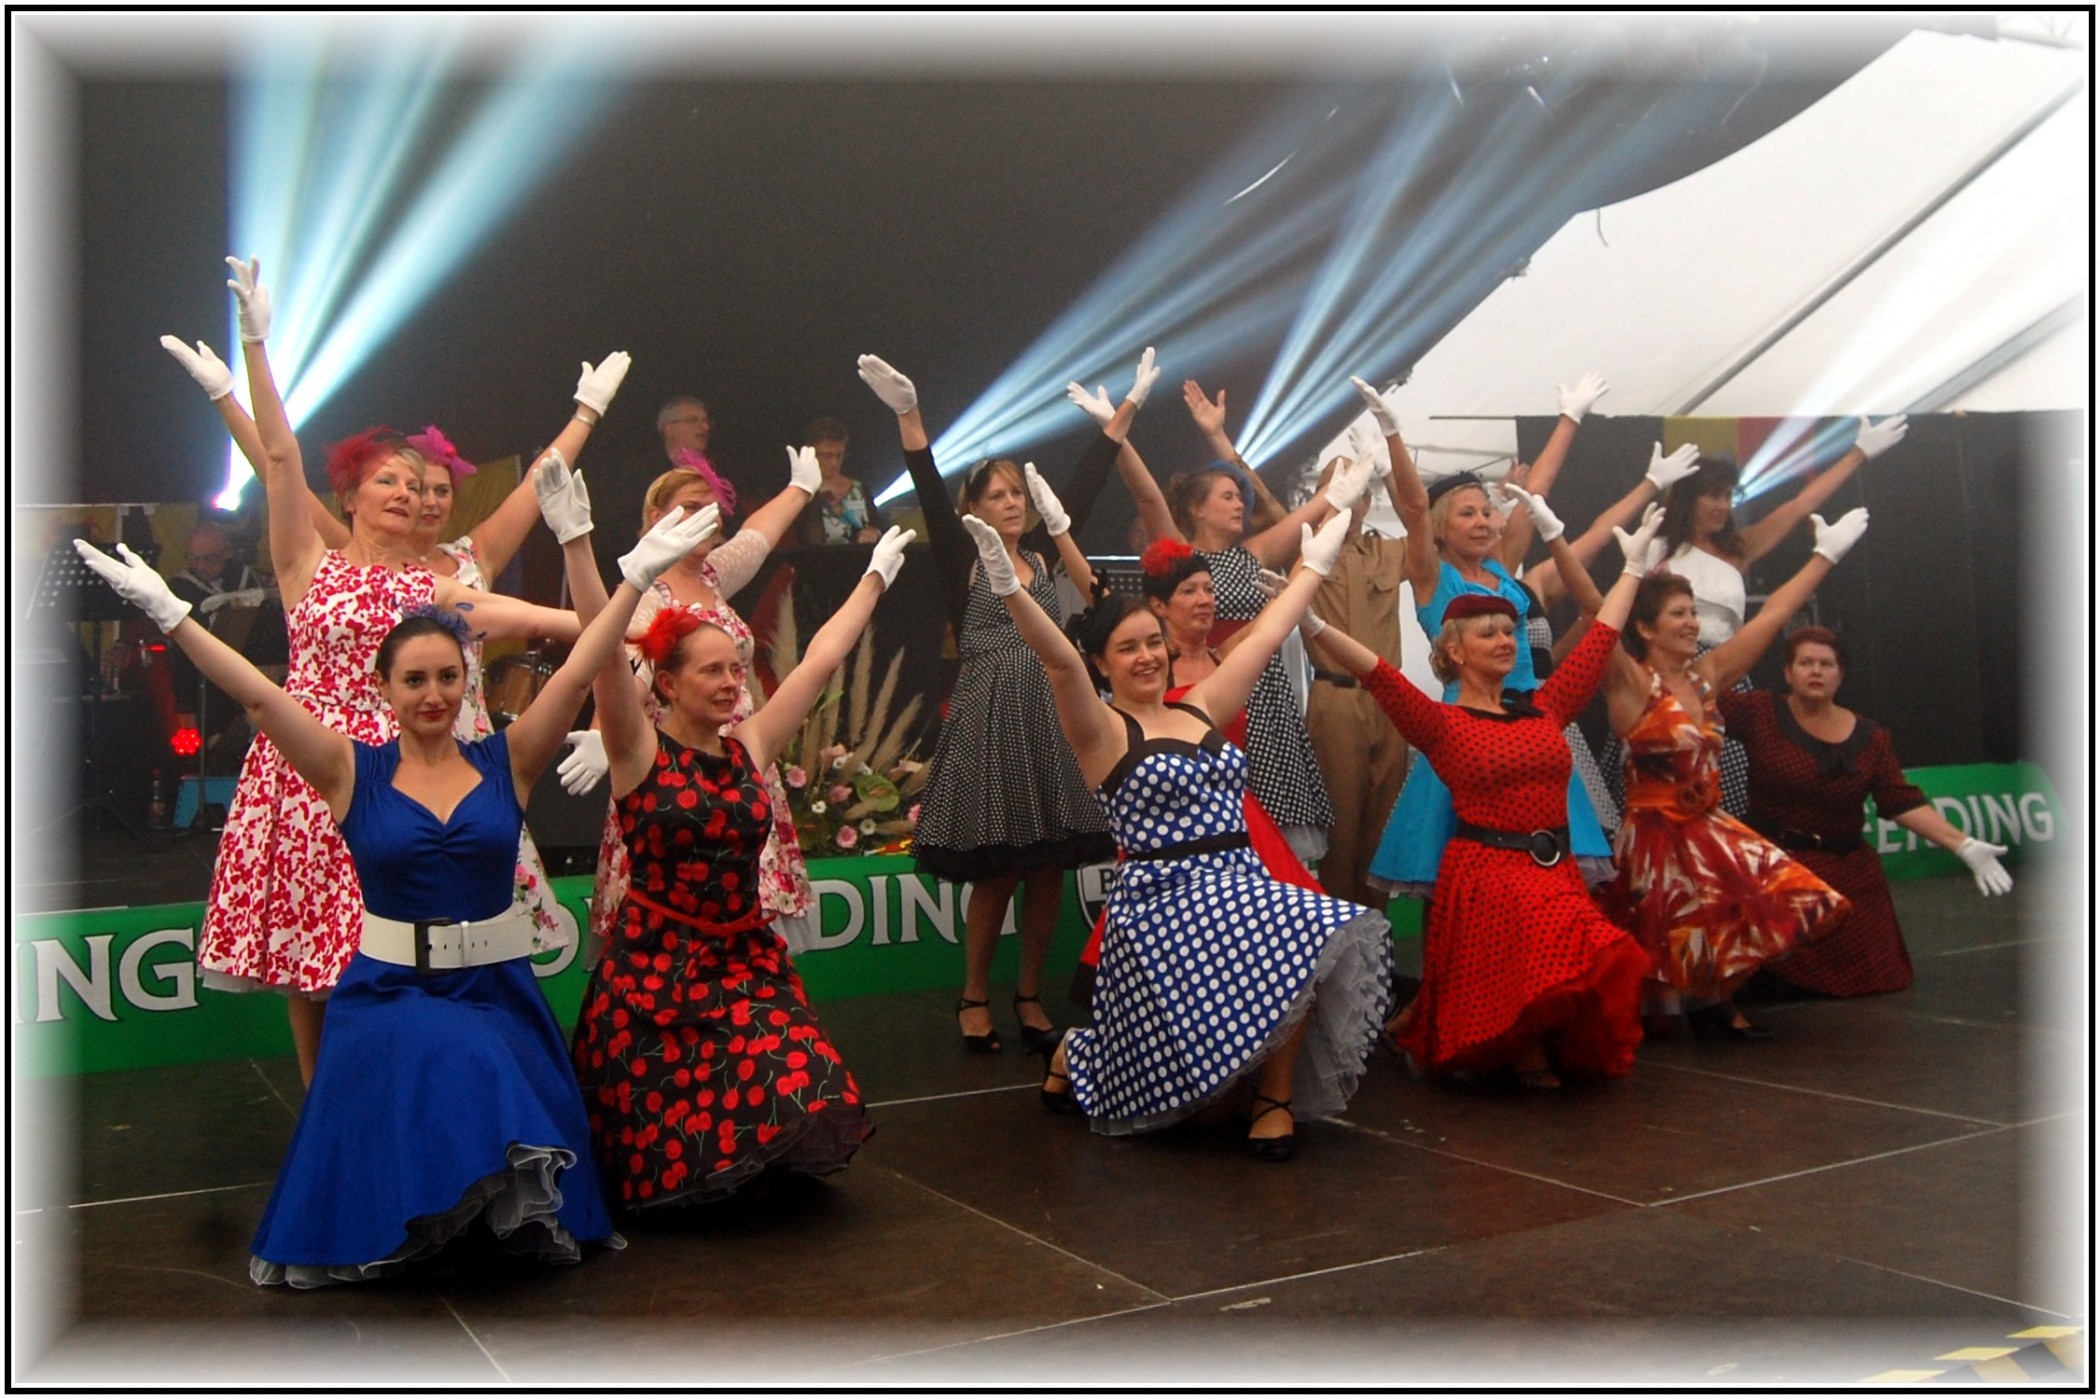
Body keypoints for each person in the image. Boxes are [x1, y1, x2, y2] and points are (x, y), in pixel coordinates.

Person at [67, 499, 712, 1286]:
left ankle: (477, 1208)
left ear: (466, 680)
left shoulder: (509, 759)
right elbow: (260, 697)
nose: (433, 693)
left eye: (448, 676)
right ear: (384, 687)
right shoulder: (349, 769)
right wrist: (172, 616)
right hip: (388, 990)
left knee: (478, 1054)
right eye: (415, 679)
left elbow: (581, 668)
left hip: (496, 989)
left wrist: (632, 579)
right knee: (446, 1053)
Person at [159, 257, 588, 1085]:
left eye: (413, 483)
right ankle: (325, 1107)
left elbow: (539, 619)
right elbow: (279, 459)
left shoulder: (433, 587)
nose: (404, 492)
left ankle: (404, 1092)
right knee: (307, 963)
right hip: (302, 769)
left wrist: (638, 617)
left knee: (380, 945)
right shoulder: (308, 563)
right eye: (385, 480)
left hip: (391, 776)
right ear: (349, 498)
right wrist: (250, 356)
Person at [980, 510, 1388, 1159]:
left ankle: (1275, 1099)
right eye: (1128, 648)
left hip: (1240, 884)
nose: (1146, 656)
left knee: (1310, 928)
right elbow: (1057, 663)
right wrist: (1010, 588)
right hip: (1162, 902)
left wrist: (1316, 564)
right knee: (1197, 1109)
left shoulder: (1200, 707)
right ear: (1101, 662)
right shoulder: (1103, 730)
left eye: (1152, 642)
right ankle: (1078, 1054)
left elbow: (1269, 631)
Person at [572, 523, 916, 1210]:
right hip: (653, 972)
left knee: (806, 1077)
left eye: (736, 669)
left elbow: (819, 659)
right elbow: (602, 655)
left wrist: (874, 578)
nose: (732, 683)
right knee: (665, 1146)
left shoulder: (748, 745)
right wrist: (586, 548)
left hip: (742, 960)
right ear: (667, 683)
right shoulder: (636, 750)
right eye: (713, 671)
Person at [277, 366, 633, 953]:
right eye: (414, 488)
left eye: (439, 491)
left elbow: (538, 488)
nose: (426, 500)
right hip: (376, 749)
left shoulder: (471, 557)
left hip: (465, 740)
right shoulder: (350, 558)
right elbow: (281, 472)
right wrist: (235, 393)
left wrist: (585, 414)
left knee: (478, 913)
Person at [1309, 503, 1664, 1087]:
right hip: (1488, 877)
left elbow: (1601, 639)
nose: (1506, 641)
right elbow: (1378, 674)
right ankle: (1515, 1050)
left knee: (1601, 954)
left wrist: (1632, 568)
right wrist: (1312, 623)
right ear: (1455, 651)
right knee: (1517, 996)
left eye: (1509, 632)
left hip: (1554, 871)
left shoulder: (1545, 707)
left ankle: (1448, 1029)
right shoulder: (1441, 723)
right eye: (1489, 633)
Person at [859, 349, 1143, 1055]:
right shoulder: (966, 555)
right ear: (974, 509)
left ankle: (1029, 994)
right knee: (999, 870)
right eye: (997, 495)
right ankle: (974, 994)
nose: (1013, 503)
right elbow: (927, 484)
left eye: (1017, 493)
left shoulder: (1041, 555)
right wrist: (909, 414)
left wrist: (1122, 415)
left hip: (1051, 715)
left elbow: (1081, 487)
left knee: (1048, 869)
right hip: (992, 717)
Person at [1602, 508, 1873, 1040]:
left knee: (1779, 895)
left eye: (1693, 613)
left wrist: (1825, 556)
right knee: (1677, 927)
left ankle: (1712, 1000)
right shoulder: (1631, 683)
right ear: (1646, 628)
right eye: (1679, 614)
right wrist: (1616, 564)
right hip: (1656, 836)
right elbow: (1596, 612)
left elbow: (1773, 616)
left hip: (1706, 824)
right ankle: (1697, 1008)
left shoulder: (1708, 674)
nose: (1692, 623)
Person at [1355, 372, 1617, 902]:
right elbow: (1412, 509)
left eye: (1485, 511)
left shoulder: (1501, 568)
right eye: (1466, 513)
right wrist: (1393, 434)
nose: (1482, 521)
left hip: (1530, 724)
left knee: (1546, 862)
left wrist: (1570, 418)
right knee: (1460, 864)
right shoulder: (1431, 575)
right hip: (1469, 732)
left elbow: (1533, 494)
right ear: (1441, 526)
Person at [562, 443, 826, 956]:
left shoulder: (712, 575)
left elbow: (758, 536)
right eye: (689, 507)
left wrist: (800, 490)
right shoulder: (646, 596)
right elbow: (625, 672)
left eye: (711, 507)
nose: (705, 516)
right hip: (675, 772)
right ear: (655, 517)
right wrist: (601, 735)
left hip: (740, 757)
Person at [1102, 378, 1375, 864]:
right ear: (1196, 508)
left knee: (1277, 837)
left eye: (1241, 498)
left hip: (1266, 692)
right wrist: (1117, 434)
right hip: (1210, 686)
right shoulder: (1182, 556)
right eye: (1228, 496)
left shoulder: (1255, 551)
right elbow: (1148, 500)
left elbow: (1313, 517)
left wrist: (1346, 488)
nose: (1239, 505)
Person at [1642, 415, 1909, 817]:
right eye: (1712, 496)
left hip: (1727, 672)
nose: (1722, 506)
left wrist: (1858, 453)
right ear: (1688, 500)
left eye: (1728, 496)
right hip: (1666, 673)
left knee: (1725, 790)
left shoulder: (1736, 550)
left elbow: (1799, 506)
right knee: (1665, 785)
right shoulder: (1655, 549)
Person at [1725, 626, 2012, 998]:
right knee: (1769, 984)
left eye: (1826, 664)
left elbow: (1900, 800)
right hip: (1774, 866)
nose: (1816, 671)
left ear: (1841, 675)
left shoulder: (1872, 737)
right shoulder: (1759, 711)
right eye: (1806, 663)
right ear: (1788, 673)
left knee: (1881, 979)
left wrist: (1963, 845)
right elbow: (1700, 694)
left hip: (1847, 869)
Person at [1298, 448, 1416, 909]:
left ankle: (1377, 938)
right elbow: (1263, 506)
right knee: (1341, 830)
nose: (1350, 496)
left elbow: (1424, 526)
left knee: (1384, 830)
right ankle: (1339, 935)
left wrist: (1390, 470)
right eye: (1335, 486)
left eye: (1359, 490)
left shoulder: (1389, 551)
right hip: (1337, 697)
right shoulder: (1304, 548)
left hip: (1390, 702)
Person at [798, 417, 884, 546]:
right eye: (827, 455)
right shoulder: (800, 492)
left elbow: (877, 525)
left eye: (839, 455)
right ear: (811, 453)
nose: (834, 462)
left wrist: (873, 531)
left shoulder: (859, 489)